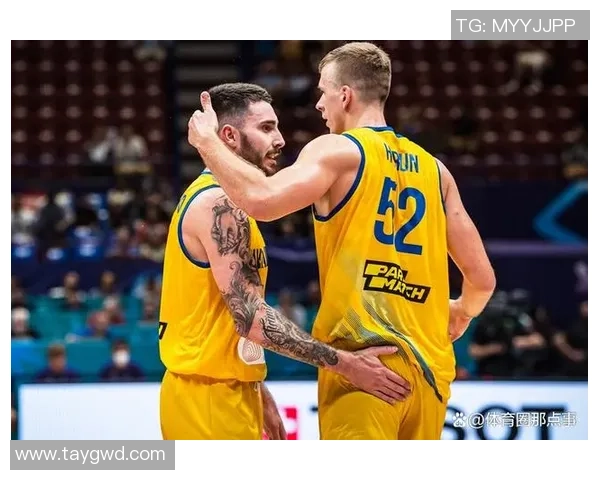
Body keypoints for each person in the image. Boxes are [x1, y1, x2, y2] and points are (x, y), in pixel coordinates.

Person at [187, 42, 496, 440]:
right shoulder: (436, 171)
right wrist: (462, 312)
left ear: (345, 95)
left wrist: (207, 142)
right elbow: (482, 280)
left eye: (323, 91)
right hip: (430, 371)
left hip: (363, 367)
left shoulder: (337, 151)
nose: (319, 103)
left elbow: (260, 200)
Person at [159, 82, 410, 441]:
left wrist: (255, 385)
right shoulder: (219, 205)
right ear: (228, 136)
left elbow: (220, 315)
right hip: (208, 399)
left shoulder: (229, 202)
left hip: (225, 389)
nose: (279, 140)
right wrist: (348, 365)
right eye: (266, 128)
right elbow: (251, 319)